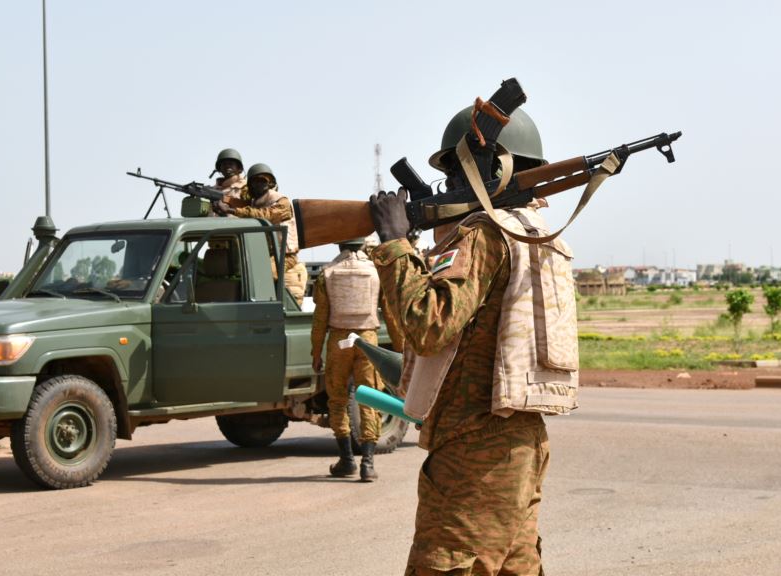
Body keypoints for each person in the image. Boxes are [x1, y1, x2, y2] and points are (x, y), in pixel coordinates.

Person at [368, 106, 579, 576]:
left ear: (487, 169)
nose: (450, 187)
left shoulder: (485, 235)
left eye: (455, 174)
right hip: (521, 439)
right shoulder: (535, 234)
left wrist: (395, 244)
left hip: (474, 445)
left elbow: (428, 325)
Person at [310, 237, 394, 481]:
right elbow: (389, 312)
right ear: (363, 245)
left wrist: (316, 352)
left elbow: (320, 319)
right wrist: (400, 348)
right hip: (367, 339)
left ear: (339, 246)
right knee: (369, 399)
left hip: (338, 340)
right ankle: (368, 464)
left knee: (337, 400)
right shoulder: (376, 272)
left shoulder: (328, 272)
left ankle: (347, 460)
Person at [215, 163, 307, 305]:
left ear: (270, 183)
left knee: (258, 278)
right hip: (268, 255)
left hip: (285, 256)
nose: (259, 184)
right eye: (255, 181)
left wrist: (232, 211)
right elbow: (244, 204)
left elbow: (266, 215)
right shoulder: (255, 202)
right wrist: (221, 201)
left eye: (263, 181)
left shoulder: (281, 201)